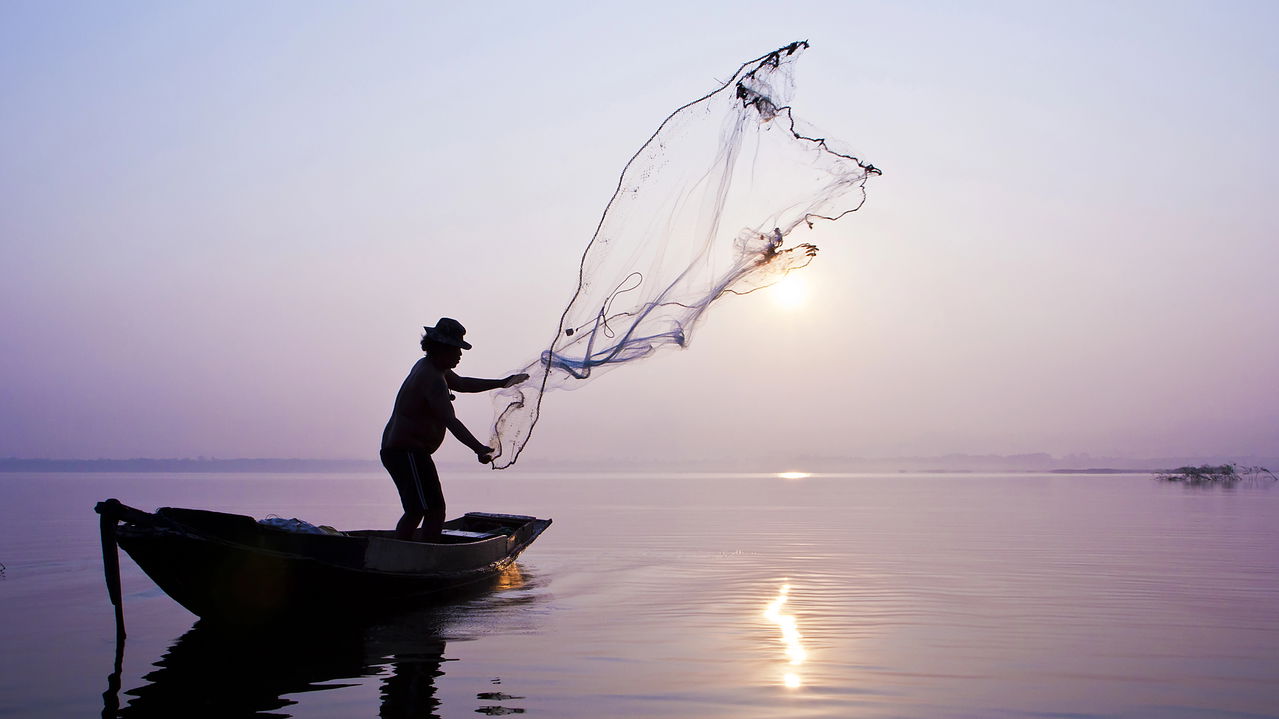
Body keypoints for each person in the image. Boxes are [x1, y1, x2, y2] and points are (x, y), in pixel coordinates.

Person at [380, 318, 527, 541]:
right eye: (456, 349)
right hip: (405, 452)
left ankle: (414, 552)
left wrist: (501, 382)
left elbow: (463, 384)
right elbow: (451, 421)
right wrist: (478, 448)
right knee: (425, 510)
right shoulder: (432, 378)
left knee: (427, 509)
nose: (460, 354)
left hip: (408, 453)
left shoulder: (431, 367)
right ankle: (415, 556)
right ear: (440, 348)